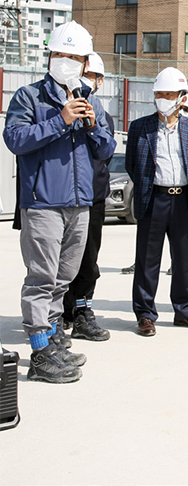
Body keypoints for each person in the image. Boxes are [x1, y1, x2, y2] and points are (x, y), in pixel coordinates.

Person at [3, 21, 115, 383]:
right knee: (41, 277)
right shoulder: (29, 97)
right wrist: (60, 120)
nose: (66, 62)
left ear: (85, 62)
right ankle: (39, 351)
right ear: (50, 56)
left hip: (80, 204)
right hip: (43, 203)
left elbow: (107, 150)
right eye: (60, 55)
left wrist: (94, 125)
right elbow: (16, 140)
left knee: (64, 277)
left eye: (74, 57)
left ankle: (53, 337)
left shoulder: (91, 99)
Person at [125, 67, 188, 337]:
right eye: (159, 93)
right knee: (148, 261)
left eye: (169, 94)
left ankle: (185, 311)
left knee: (182, 260)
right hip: (153, 199)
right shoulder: (140, 127)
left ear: (182, 98)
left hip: (183, 200)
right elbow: (132, 165)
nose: (163, 98)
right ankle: (145, 315)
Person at [62, 52, 115, 342]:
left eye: (93, 76)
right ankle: (59, 313)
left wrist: (93, 125)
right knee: (58, 261)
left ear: (100, 81)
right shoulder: (58, 106)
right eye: (84, 73)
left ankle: (83, 311)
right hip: (59, 198)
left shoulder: (101, 113)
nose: (87, 80)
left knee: (88, 260)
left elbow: (107, 151)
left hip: (92, 196)